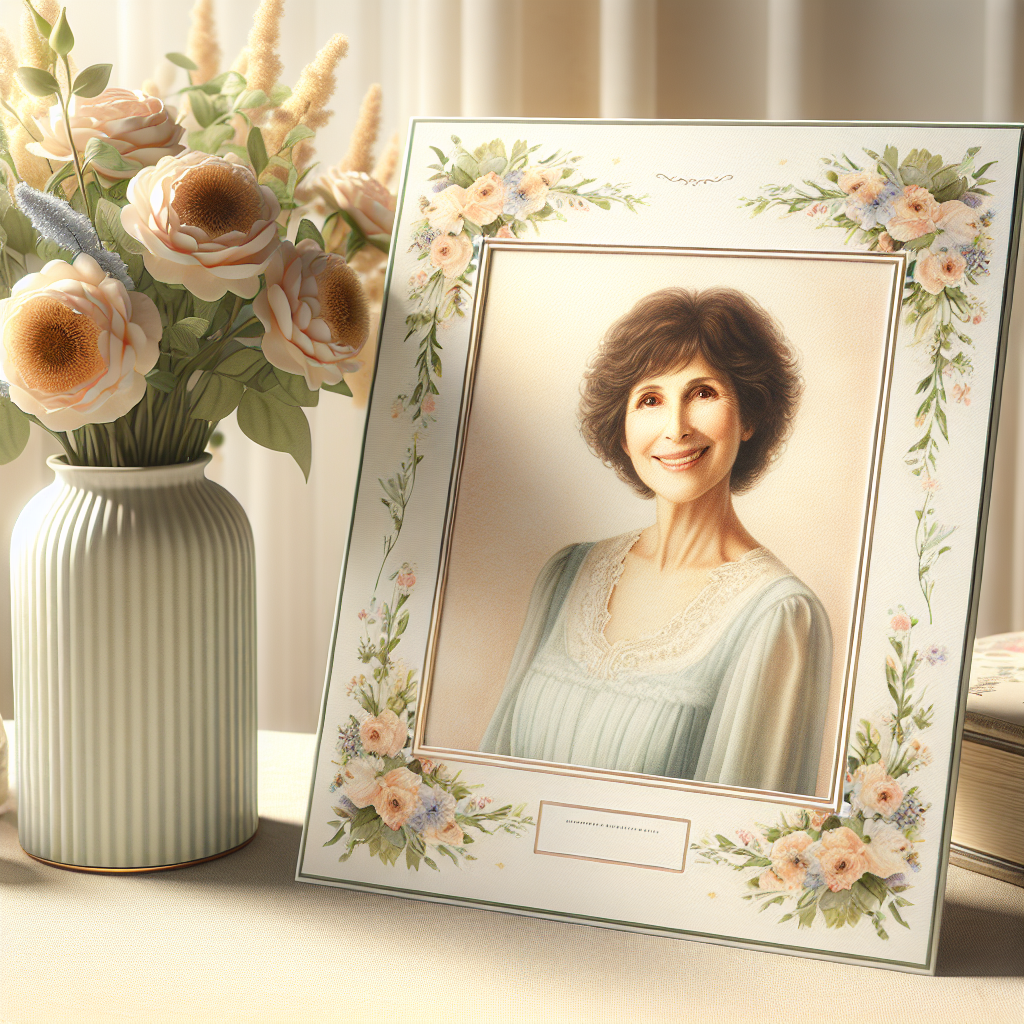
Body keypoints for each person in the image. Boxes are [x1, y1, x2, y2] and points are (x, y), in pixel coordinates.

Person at [479, 286, 832, 796]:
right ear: (622, 431)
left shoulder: (779, 616)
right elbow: (492, 786)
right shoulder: (566, 575)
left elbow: (737, 844)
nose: (676, 428)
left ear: (750, 415)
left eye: (703, 393)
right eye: (650, 400)